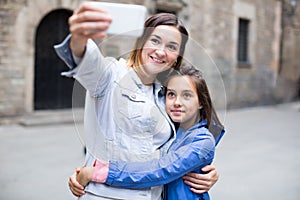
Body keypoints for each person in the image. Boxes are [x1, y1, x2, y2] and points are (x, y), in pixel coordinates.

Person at [54, 1, 222, 199]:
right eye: (155, 41)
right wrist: (79, 37)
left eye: (171, 46)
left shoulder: (167, 94)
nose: (161, 51)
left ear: (177, 57)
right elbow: (87, 60)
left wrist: (205, 169)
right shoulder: (111, 76)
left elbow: (184, 145)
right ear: (141, 42)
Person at [76, 65, 225, 200]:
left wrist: (101, 173)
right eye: (171, 94)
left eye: (187, 95)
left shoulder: (202, 141)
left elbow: (161, 169)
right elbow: (139, 156)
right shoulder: (170, 130)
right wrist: (88, 172)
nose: (177, 102)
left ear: (201, 102)